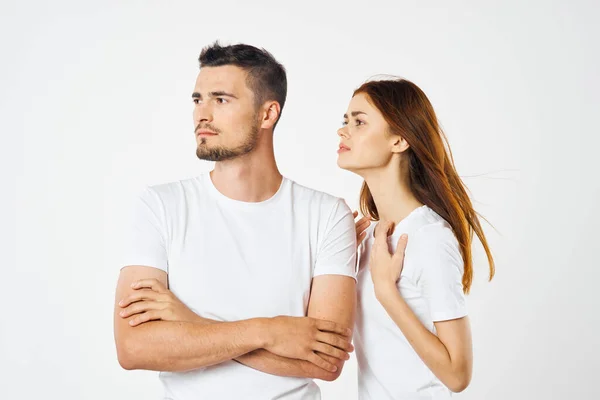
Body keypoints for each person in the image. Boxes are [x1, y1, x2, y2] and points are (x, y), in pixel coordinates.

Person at [113, 42, 357, 400]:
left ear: (267, 114)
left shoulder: (327, 215)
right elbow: (134, 348)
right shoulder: (161, 205)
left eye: (221, 99)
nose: (202, 114)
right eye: (198, 100)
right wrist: (268, 331)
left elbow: (325, 363)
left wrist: (190, 323)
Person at [339, 78, 495, 399]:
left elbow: (457, 374)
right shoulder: (370, 237)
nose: (343, 131)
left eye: (359, 122)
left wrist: (387, 292)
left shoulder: (429, 238)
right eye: (345, 121)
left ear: (398, 140)